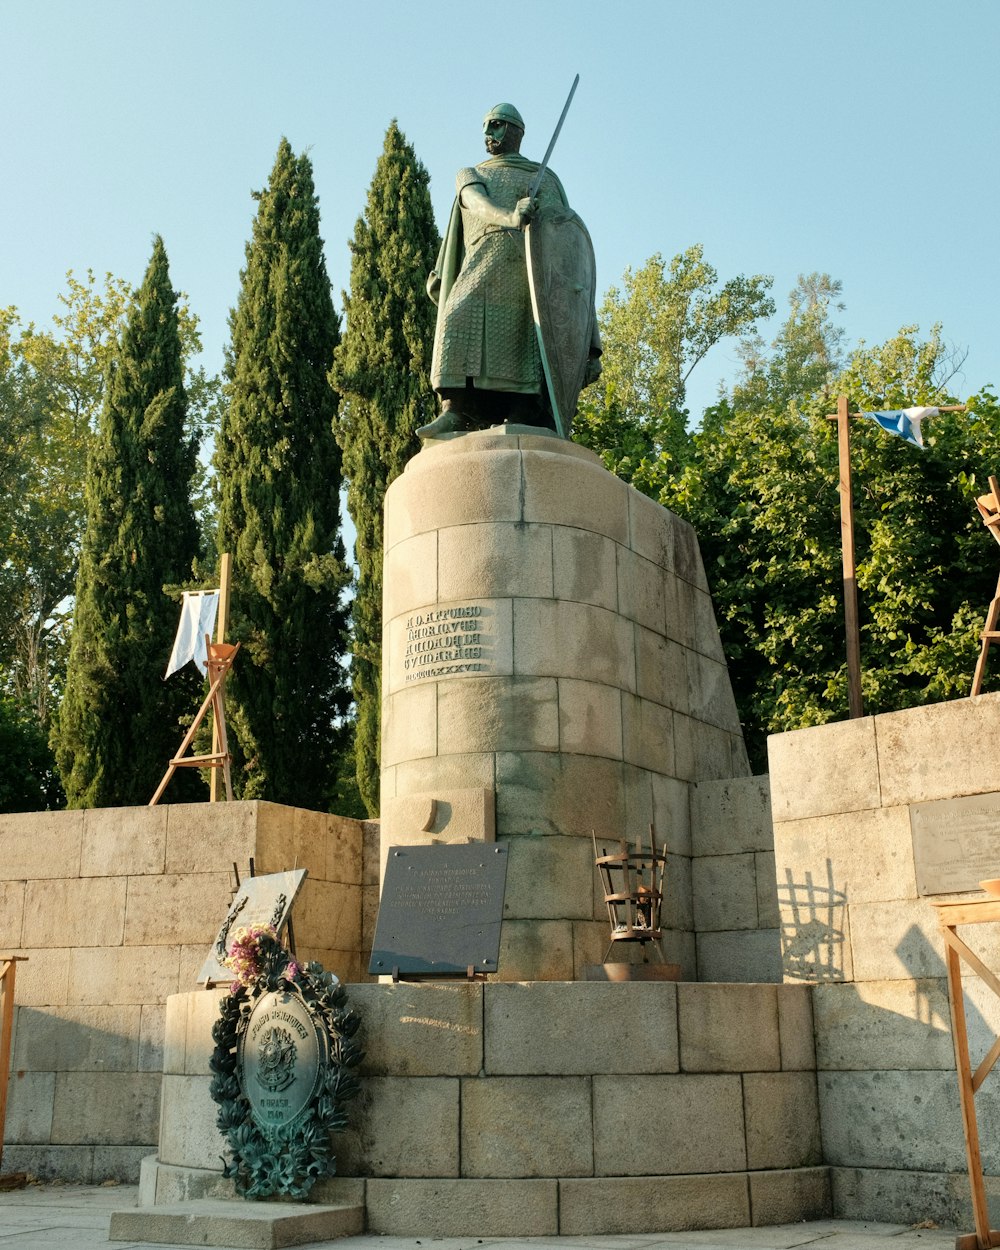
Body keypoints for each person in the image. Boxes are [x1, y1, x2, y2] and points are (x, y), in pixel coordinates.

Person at [418, 103, 599, 439]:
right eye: (487, 126)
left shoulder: (543, 179)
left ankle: (524, 412)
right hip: (481, 261)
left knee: (528, 342)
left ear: (516, 131)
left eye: (497, 125)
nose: (489, 133)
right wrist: (511, 216)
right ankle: (454, 410)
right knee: (455, 317)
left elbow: (569, 252)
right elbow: (476, 204)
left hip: (529, 272)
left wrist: (590, 338)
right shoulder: (472, 173)